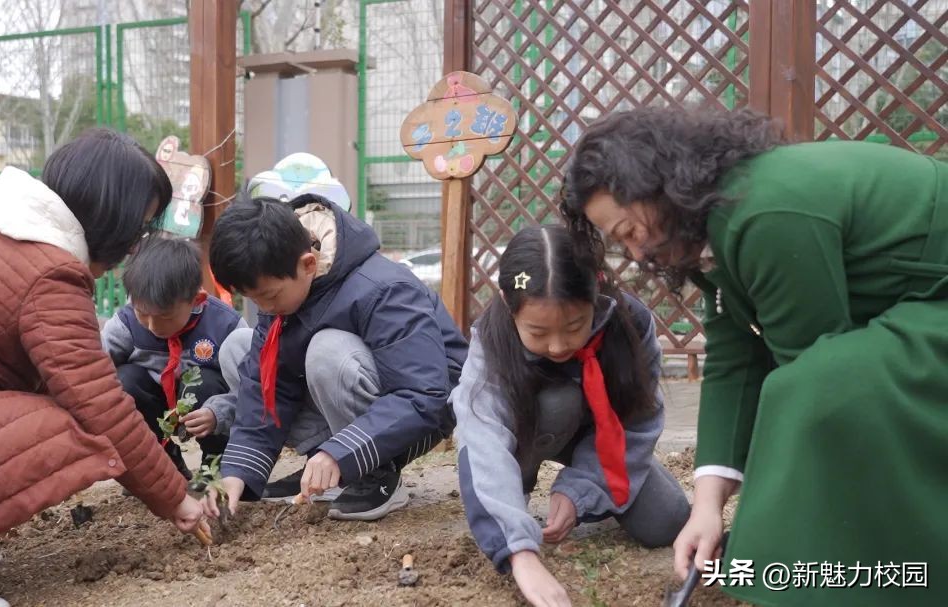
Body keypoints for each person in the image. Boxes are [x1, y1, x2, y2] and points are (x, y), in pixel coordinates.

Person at [561, 106, 948, 606]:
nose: (635, 255)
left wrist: (757, 538)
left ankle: (846, 582)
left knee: (822, 389)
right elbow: (733, 356)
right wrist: (707, 506)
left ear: (656, 184)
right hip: (919, 311)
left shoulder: (766, 213)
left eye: (629, 231)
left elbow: (811, 387)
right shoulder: (714, 222)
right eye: (620, 243)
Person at [0, 129, 207, 607]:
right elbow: (100, 407)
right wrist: (176, 497)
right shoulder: (49, 270)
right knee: (63, 427)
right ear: (111, 218)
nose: (136, 245)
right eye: (139, 228)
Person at [194, 192, 468, 521]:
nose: (264, 309)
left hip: (421, 415)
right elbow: (265, 386)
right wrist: (236, 473)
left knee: (327, 351)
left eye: (269, 296)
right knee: (242, 345)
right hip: (361, 403)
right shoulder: (285, 283)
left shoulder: (383, 289)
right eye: (253, 300)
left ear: (308, 264)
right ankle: (323, 468)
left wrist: (341, 452)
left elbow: (424, 393)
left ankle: (376, 472)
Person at [454, 225, 688, 607]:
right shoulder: (492, 341)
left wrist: (579, 490)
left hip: (595, 438)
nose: (559, 345)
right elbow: (483, 440)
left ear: (596, 295)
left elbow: (638, 420)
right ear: (507, 303)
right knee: (556, 402)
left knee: (666, 521)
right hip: (526, 435)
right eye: (538, 331)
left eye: (575, 326)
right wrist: (520, 553)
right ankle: (517, 493)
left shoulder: (631, 324)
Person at [102, 236, 247, 477]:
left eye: (165, 317)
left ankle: (216, 465)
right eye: (143, 314)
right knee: (124, 379)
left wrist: (218, 412)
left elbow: (251, 387)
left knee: (203, 382)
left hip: (209, 411)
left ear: (196, 300)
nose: (151, 326)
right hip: (155, 404)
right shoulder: (125, 324)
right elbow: (94, 370)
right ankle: (163, 464)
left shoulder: (226, 326)